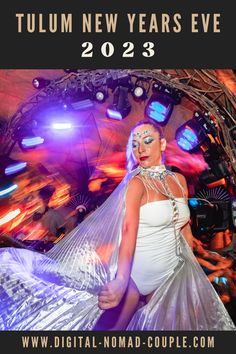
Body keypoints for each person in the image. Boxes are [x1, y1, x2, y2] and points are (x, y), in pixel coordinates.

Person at [0, 119, 235, 330]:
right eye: (134, 143)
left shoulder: (179, 180)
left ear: (162, 144)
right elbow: (128, 229)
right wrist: (122, 279)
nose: (140, 148)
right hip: (139, 271)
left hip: (174, 270)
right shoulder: (136, 182)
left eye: (147, 140)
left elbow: (183, 229)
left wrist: (200, 261)